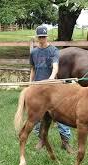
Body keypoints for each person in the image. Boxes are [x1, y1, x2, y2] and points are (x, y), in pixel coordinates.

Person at [30, 25, 73, 153]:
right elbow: (32, 68)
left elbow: (55, 66)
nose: (42, 39)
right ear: (37, 37)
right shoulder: (33, 52)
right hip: (38, 88)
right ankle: (42, 140)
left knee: (60, 115)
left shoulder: (53, 50)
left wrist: (51, 78)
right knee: (38, 117)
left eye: (43, 37)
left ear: (47, 37)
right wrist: (30, 83)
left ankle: (65, 142)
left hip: (53, 88)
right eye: (40, 37)